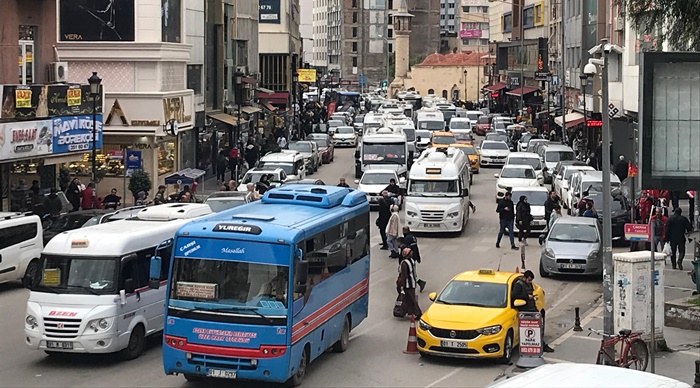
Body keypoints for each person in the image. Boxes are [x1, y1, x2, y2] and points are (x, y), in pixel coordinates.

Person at [511, 270, 554, 353]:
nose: (530, 282)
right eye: (529, 280)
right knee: (533, 330)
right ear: (525, 278)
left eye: (531, 280)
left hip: (532, 308)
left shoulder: (528, 284)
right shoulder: (519, 285)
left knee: (537, 328)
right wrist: (527, 297)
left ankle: (541, 344)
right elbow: (514, 295)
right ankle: (539, 345)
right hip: (525, 310)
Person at [396, 247, 422, 319]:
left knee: (412, 298)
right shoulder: (412, 261)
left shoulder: (404, 263)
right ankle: (409, 311)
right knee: (409, 298)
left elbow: (404, 275)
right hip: (412, 282)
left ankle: (418, 313)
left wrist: (402, 285)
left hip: (408, 284)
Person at [401, 227, 426, 292]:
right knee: (412, 272)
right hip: (413, 257)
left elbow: (405, 249)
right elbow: (416, 248)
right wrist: (418, 257)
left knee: (410, 273)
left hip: (409, 257)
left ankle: (419, 282)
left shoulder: (407, 239)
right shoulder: (413, 237)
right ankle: (420, 282)